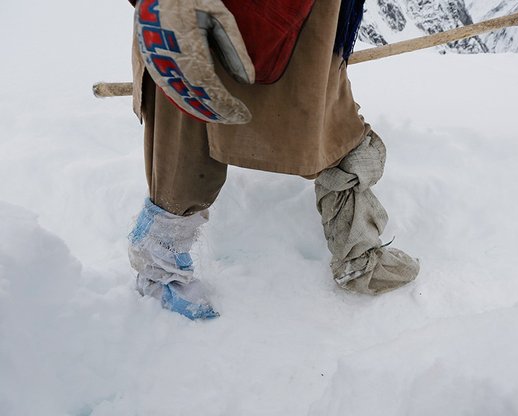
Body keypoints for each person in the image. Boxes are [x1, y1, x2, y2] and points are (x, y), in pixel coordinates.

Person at [128, 0, 420, 320]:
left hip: (308, 21)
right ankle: (159, 269)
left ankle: (356, 254)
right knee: (186, 143)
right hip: (196, 19)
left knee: (335, 130)